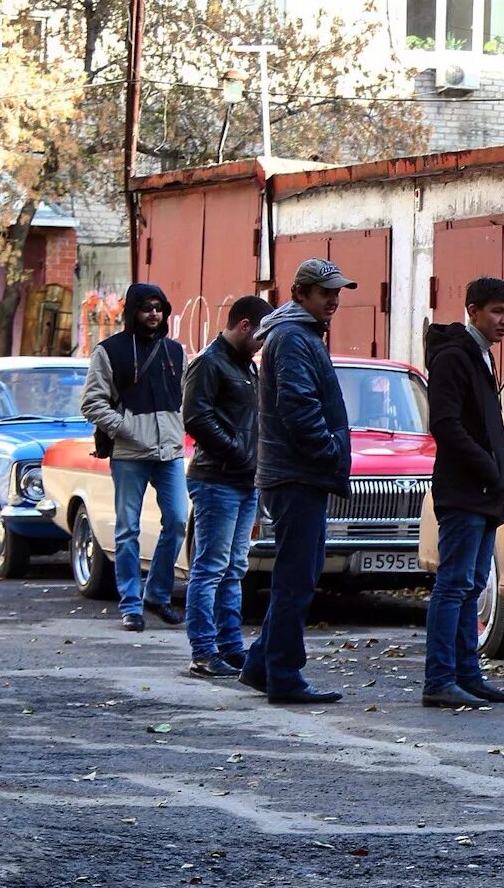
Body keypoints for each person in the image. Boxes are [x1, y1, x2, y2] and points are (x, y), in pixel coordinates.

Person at [240, 259, 355, 706]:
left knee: (299, 573)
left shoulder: (297, 334)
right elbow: (298, 405)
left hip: (295, 472)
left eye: (337, 292)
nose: (334, 300)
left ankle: (260, 665)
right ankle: (284, 675)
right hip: (296, 474)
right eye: (326, 292)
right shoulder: (292, 338)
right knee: (297, 579)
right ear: (300, 293)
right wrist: (328, 452)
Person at [420, 277, 504, 709]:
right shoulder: (454, 356)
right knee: (454, 584)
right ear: (473, 310)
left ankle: (467, 674)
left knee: (473, 584)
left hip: (484, 491)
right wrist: (487, 466)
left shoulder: (480, 354)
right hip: (464, 490)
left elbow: (487, 424)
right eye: (497, 311)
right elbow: (445, 424)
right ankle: (440, 679)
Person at [81, 282, 188, 633]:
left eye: (159, 307)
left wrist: (182, 431)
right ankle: (130, 604)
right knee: (127, 529)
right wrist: (126, 429)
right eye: (146, 308)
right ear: (133, 312)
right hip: (130, 454)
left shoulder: (175, 352)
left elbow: (184, 400)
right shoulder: (109, 351)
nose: (153, 314)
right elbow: (92, 403)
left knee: (176, 521)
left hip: (170, 453)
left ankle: (157, 594)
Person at [181, 295, 273, 678]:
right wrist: (238, 453)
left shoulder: (245, 366)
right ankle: (204, 650)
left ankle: (230, 646)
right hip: (217, 478)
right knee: (211, 567)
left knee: (233, 567)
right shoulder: (209, 363)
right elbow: (196, 417)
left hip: (241, 478)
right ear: (245, 325)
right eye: (261, 336)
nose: (263, 345)